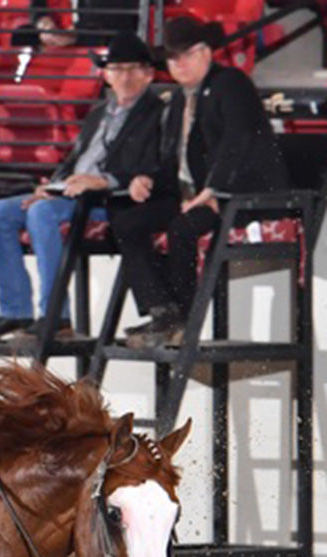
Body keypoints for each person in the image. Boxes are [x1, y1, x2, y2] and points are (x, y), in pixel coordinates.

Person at [108, 16, 289, 347]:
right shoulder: (179, 100)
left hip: (236, 194)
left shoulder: (231, 83)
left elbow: (239, 141)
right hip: (190, 194)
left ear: (206, 52)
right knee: (127, 223)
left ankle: (185, 318)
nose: (179, 64)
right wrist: (145, 178)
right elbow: (173, 158)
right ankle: (162, 310)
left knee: (183, 227)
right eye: (173, 58)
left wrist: (213, 189)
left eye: (186, 55)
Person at [0, 31, 162, 344]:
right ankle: (15, 309)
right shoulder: (98, 113)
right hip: (70, 191)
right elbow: (74, 159)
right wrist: (51, 186)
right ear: (105, 75)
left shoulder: (158, 113)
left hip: (107, 199)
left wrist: (103, 181)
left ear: (148, 74)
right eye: (117, 69)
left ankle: (56, 314)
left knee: (42, 214)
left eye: (133, 69)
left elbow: (154, 163)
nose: (125, 77)